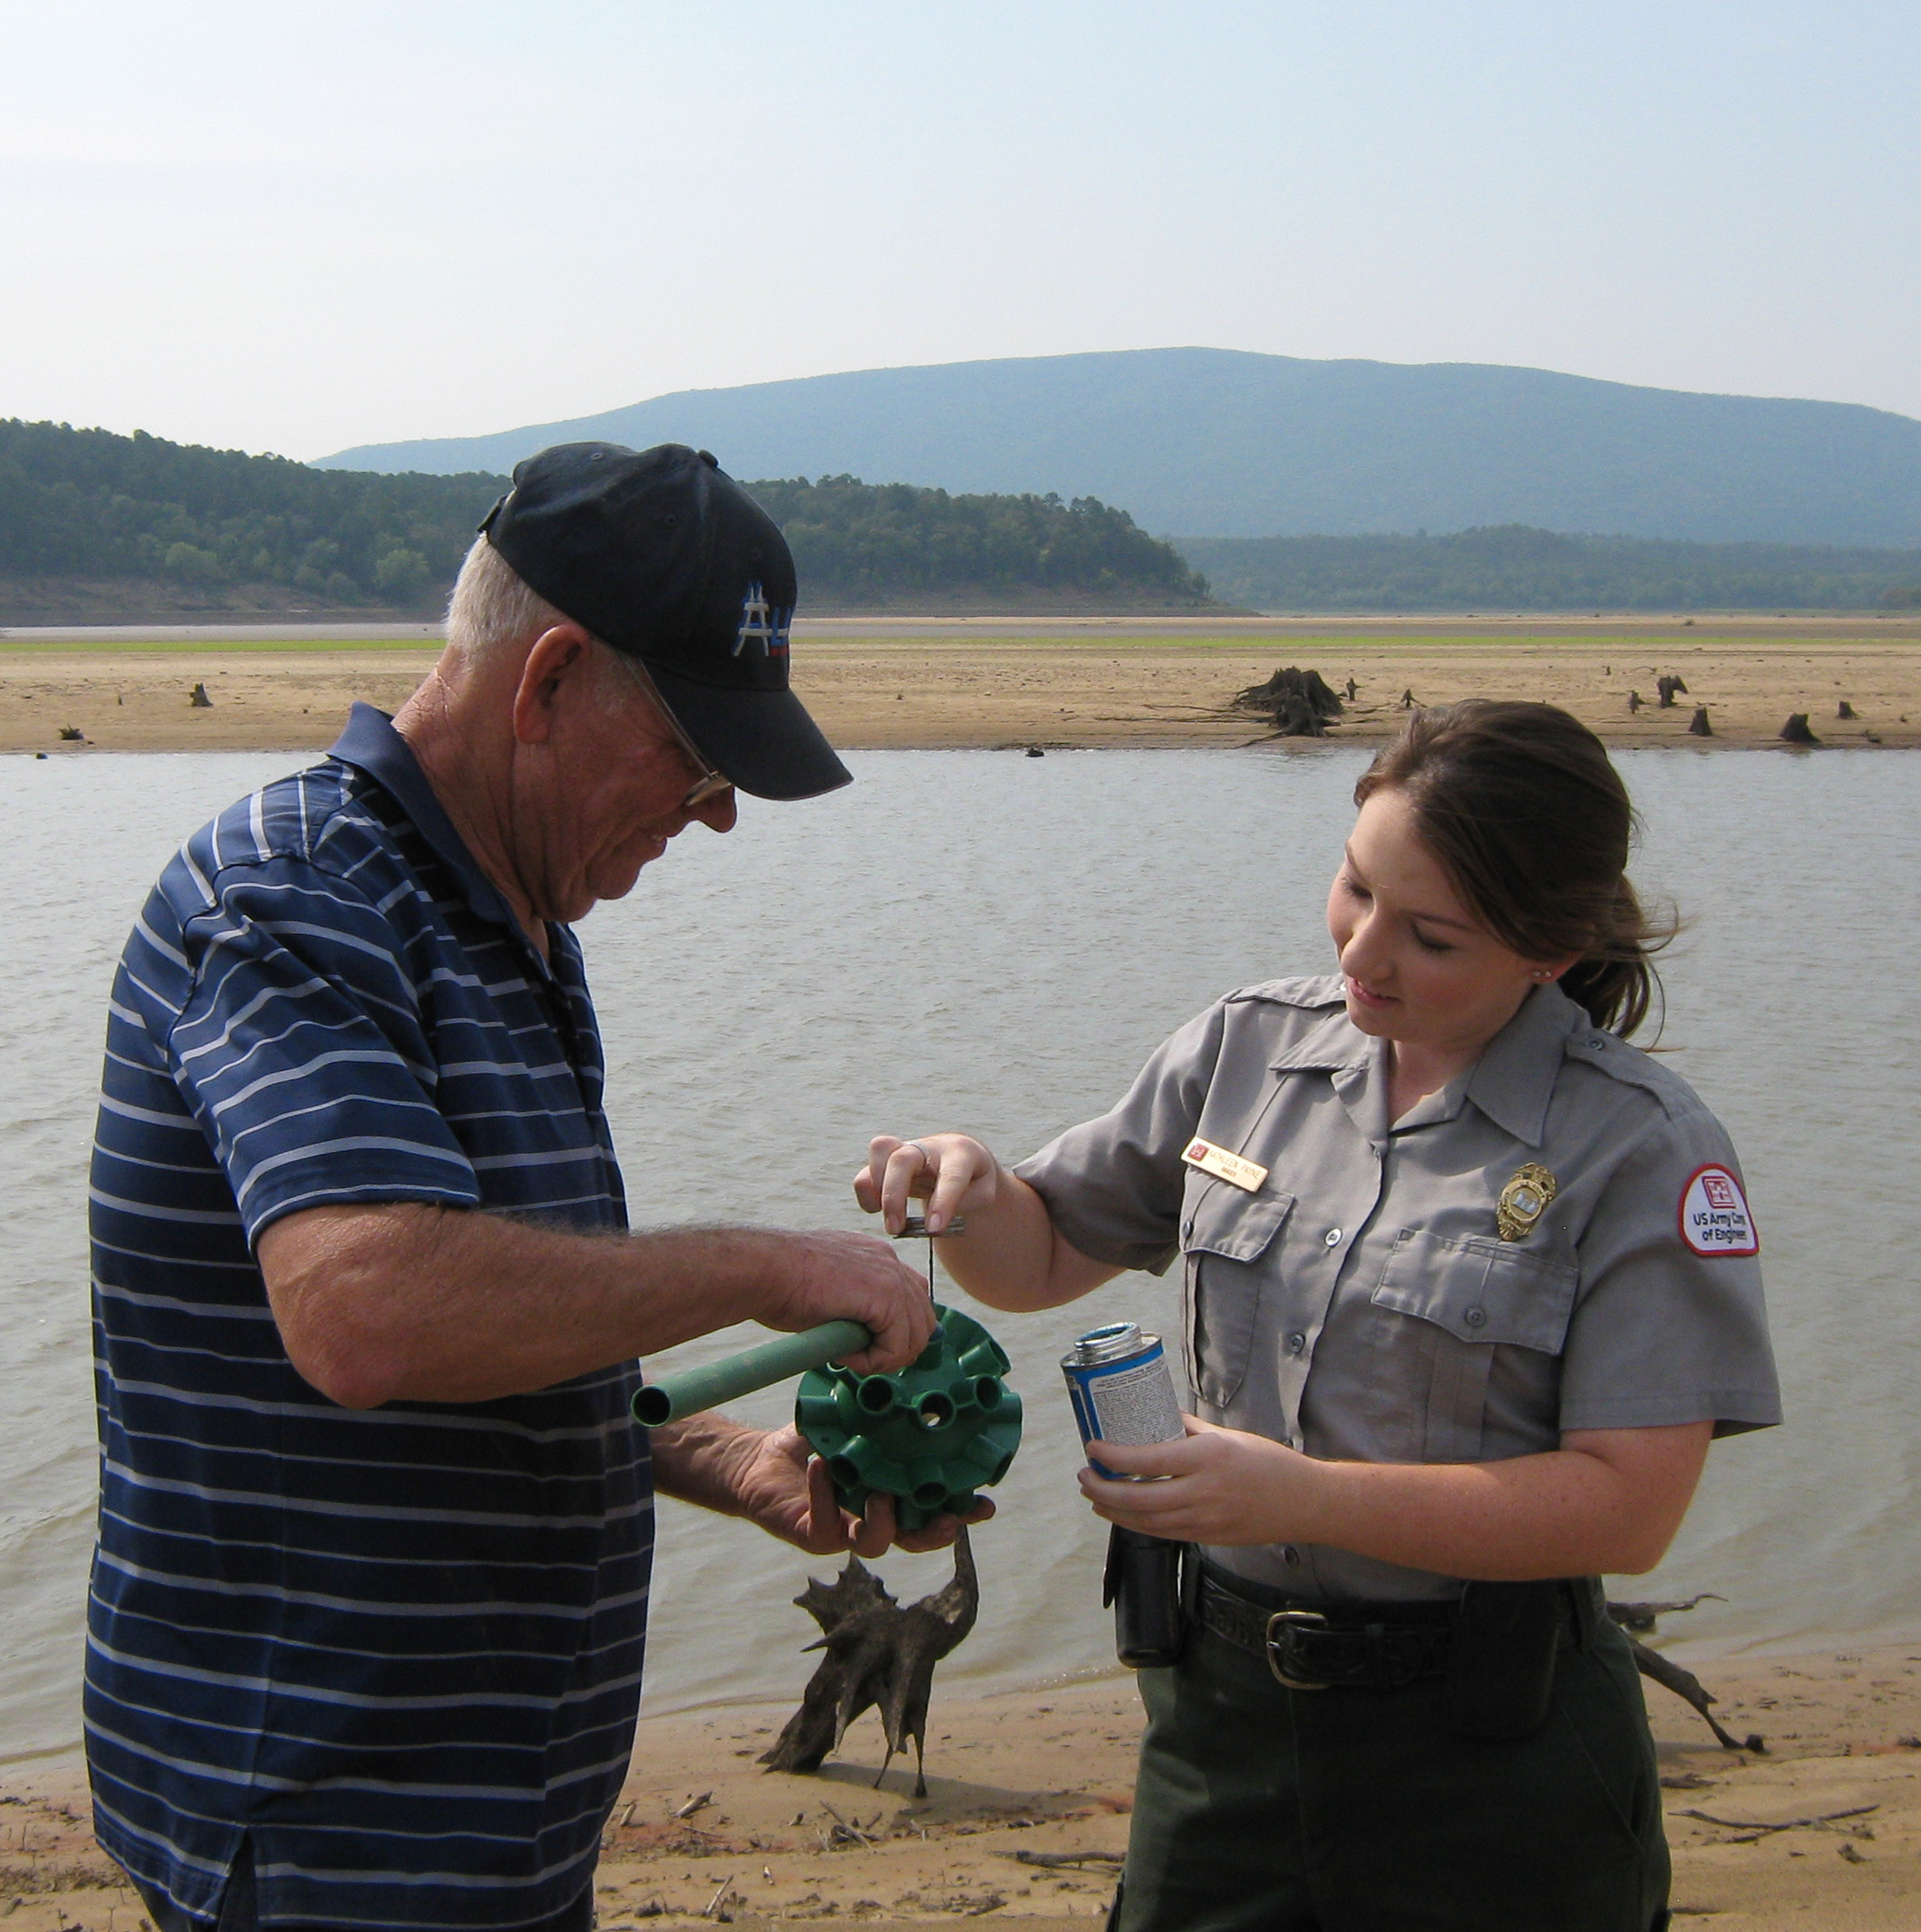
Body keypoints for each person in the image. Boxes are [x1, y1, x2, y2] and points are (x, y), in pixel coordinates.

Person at [87, 442, 972, 1932]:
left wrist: (720, 1460)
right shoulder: (298, 895)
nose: (714, 812)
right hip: (320, 1825)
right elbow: (368, 1312)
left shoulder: (513, 928)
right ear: (548, 677)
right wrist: (772, 1265)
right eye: (697, 756)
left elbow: (501, 1336)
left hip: (484, 1834)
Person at [857, 701, 1780, 1932]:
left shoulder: (1641, 1145)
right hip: (1218, 1735)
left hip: (1496, 1761)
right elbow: (1041, 1254)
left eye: (1431, 937)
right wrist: (965, 1183)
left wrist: (1302, 1497)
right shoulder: (1245, 1048)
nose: (1362, 954)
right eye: (1353, 888)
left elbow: (1629, 1503)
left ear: (1550, 949)